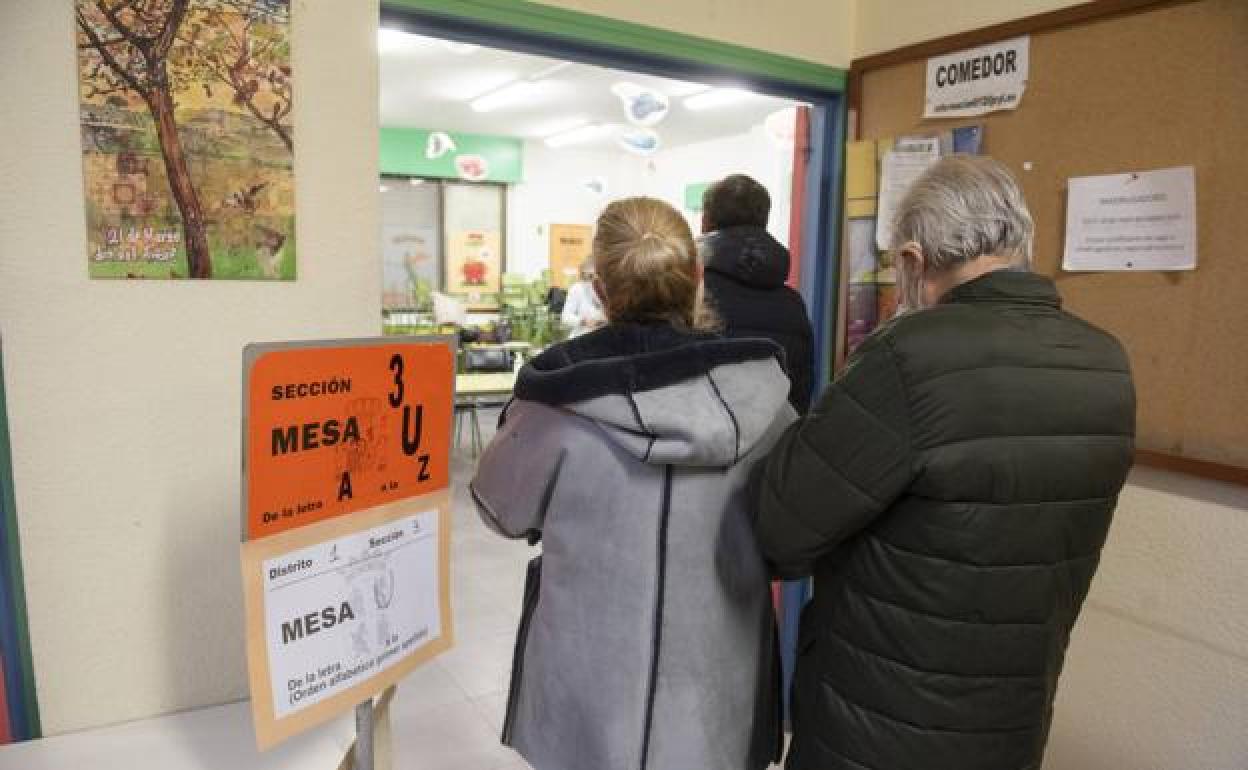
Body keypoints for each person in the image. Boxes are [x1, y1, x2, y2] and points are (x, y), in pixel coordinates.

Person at [755, 156, 1136, 770]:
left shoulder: (908, 358)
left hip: (876, 724)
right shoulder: (1105, 362)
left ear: (911, 261)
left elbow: (782, 526)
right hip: (1012, 723)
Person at [472, 197, 793, 770]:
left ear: (598, 287)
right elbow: (797, 532)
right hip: (720, 686)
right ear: (697, 278)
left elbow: (501, 510)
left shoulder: (554, 399)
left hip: (589, 686)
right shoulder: (766, 399)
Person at [700, 174, 814, 413]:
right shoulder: (793, 304)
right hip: (777, 442)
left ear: (706, 222)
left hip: (705, 445)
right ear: (764, 222)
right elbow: (802, 392)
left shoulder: (690, 296)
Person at [559, 259, 606, 337]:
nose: (593, 278)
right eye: (590, 275)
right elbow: (566, 316)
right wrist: (583, 321)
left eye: (596, 275)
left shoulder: (608, 288)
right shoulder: (577, 288)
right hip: (582, 337)